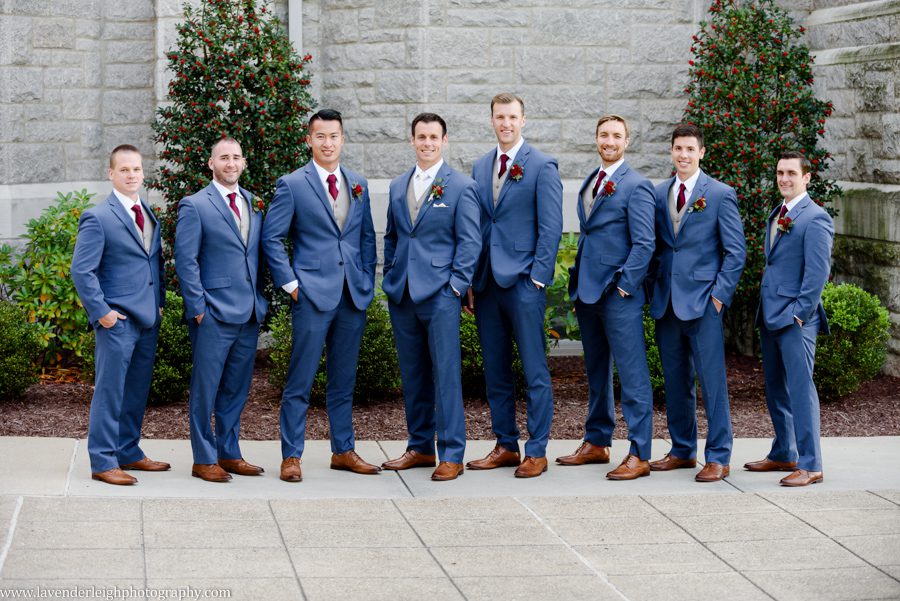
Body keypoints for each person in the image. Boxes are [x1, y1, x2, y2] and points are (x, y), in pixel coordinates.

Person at [262, 109, 381, 482]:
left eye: (334, 136)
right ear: (309, 140)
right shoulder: (292, 184)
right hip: (311, 295)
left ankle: (343, 450)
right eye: (321, 137)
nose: (328, 143)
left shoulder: (357, 183)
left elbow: (365, 238)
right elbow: (271, 238)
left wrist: (365, 280)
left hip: (351, 296)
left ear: (342, 139)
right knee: (301, 378)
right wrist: (293, 285)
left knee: (343, 380)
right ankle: (291, 456)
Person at [380, 113, 481, 482]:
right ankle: (420, 447)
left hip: (441, 293)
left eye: (433, 137)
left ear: (444, 140)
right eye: (421, 137)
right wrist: (391, 273)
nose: (427, 143)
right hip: (403, 292)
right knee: (413, 373)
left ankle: (451, 452)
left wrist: (456, 286)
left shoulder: (460, 186)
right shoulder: (397, 185)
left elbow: (470, 242)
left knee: (446, 374)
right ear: (412, 141)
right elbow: (393, 235)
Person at [466, 93, 563, 478]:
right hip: (488, 283)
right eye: (499, 117)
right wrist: (473, 279)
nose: (505, 123)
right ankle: (505, 444)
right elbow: (475, 227)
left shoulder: (542, 166)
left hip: (524, 281)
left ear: (523, 120)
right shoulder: (479, 166)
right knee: (496, 370)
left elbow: (551, 226)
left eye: (512, 117)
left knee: (534, 369)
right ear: (491, 120)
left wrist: (538, 276)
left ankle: (536, 450)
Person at [555, 115, 656, 480]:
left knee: (632, 375)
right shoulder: (593, 179)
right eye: (603, 135)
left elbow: (645, 243)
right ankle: (597, 441)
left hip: (618, 294)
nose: (609, 141)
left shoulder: (637, 185)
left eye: (616, 135)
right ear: (596, 139)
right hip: (587, 292)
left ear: (627, 141)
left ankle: (640, 452)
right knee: (596, 372)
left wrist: (626, 286)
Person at [647, 124, 746, 482]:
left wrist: (718, 297)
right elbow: (657, 248)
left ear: (701, 152)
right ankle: (683, 450)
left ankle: (718, 456)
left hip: (704, 303)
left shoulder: (719, 194)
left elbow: (735, 251)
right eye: (678, 148)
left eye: (690, 149)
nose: (683, 155)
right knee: (675, 381)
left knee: (712, 383)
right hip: (667, 303)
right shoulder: (658, 194)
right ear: (671, 152)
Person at [71, 144, 169, 485]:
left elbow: (154, 261)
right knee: (110, 391)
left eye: (137, 169)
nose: (131, 175)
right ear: (111, 173)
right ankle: (102, 460)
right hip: (117, 323)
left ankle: (128, 450)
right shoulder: (98, 217)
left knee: (136, 391)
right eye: (124, 169)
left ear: (143, 173)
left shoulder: (149, 213)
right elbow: (82, 271)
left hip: (147, 319)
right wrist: (103, 314)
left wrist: (160, 302)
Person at [174, 137, 268, 483]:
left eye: (236, 157)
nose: (231, 163)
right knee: (206, 388)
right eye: (224, 158)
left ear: (243, 163)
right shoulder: (195, 205)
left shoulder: (253, 203)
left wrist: (260, 301)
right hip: (213, 313)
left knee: (236, 389)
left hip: (248, 313)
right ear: (210, 163)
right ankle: (203, 458)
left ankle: (229, 453)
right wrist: (198, 308)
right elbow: (186, 260)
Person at [747, 151, 834, 487]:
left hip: (796, 320)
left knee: (800, 390)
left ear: (806, 177)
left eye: (791, 173)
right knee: (776, 389)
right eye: (780, 172)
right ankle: (785, 451)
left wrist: (799, 315)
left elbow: (817, 275)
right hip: (770, 316)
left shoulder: (816, 218)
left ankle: (811, 464)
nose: (784, 178)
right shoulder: (778, 213)